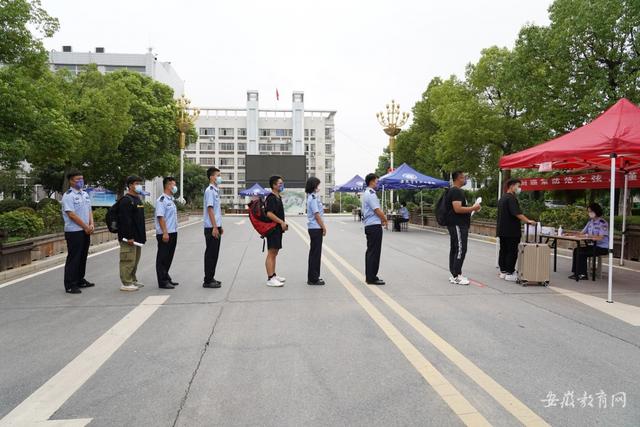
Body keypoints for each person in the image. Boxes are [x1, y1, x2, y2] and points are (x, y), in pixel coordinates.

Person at [496, 178, 537, 282]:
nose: (519, 188)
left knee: (503, 250)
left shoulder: (502, 198)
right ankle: (510, 272)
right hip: (511, 231)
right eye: (518, 186)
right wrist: (528, 221)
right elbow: (517, 213)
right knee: (512, 251)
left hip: (502, 230)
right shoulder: (511, 198)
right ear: (512, 186)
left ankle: (503, 271)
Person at [61, 170, 94, 294]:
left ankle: (80, 279)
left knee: (83, 256)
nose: (80, 181)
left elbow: (89, 210)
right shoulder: (68, 196)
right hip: (74, 231)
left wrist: (91, 224)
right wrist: (85, 226)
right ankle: (70, 284)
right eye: (77, 179)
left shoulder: (84, 194)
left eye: (82, 179)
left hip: (85, 230)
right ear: (70, 181)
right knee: (74, 258)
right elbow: (71, 214)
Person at [446, 171, 481, 285]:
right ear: (458, 179)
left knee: (456, 248)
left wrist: (471, 209)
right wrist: (473, 208)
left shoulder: (453, 190)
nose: (465, 180)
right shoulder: (456, 191)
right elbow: (457, 209)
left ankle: (454, 274)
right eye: (463, 178)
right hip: (458, 224)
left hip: (456, 224)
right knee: (461, 248)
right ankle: (456, 275)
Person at [118, 175, 147, 292]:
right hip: (128, 238)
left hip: (137, 237)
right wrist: (129, 236)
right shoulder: (126, 200)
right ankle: (126, 282)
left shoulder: (138, 199)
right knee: (128, 259)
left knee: (135, 260)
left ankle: (132, 279)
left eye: (140, 183)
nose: (139, 185)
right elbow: (125, 221)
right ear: (130, 185)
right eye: (136, 183)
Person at [568, 203, 609, 280]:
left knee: (582, 253)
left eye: (591, 211)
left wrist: (588, 236)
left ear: (596, 211)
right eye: (588, 212)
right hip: (593, 246)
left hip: (602, 248)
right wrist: (570, 234)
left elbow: (600, 237)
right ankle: (576, 272)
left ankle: (583, 275)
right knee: (577, 250)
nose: (589, 213)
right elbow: (581, 233)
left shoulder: (603, 223)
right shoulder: (590, 222)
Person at [362, 173, 388, 285]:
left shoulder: (367, 193)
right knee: (374, 252)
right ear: (372, 181)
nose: (377, 183)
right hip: (373, 226)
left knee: (371, 252)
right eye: (376, 181)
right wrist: (385, 219)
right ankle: (372, 277)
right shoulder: (371, 194)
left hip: (370, 225)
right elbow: (377, 210)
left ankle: (370, 276)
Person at [155, 176, 179, 289]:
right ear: (168, 185)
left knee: (169, 257)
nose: (175, 187)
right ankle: (162, 281)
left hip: (173, 232)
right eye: (173, 184)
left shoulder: (171, 200)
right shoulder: (162, 200)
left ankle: (166, 277)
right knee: (162, 258)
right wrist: (165, 232)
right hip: (165, 233)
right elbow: (161, 217)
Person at [264, 175, 288, 287]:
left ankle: (273, 275)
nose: (282, 185)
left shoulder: (278, 196)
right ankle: (270, 278)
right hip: (272, 229)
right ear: (273, 185)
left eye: (282, 183)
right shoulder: (271, 197)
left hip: (277, 229)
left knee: (275, 253)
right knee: (271, 253)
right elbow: (269, 213)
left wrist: (282, 224)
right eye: (280, 183)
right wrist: (281, 222)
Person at [203, 167, 223, 288]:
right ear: (211, 177)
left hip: (216, 226)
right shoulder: (209, 190)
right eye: (218, 175)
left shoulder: (215, 190)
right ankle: (208, 280)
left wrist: (220, 226)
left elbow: (216, 211)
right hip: (211, 227)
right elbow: (210, 209)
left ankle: (211, 277)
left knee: (214, 254)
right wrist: (215, 227)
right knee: (210, 254)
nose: (220, 178)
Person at [305, 177, 327, 285]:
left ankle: (314, 276)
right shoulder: (313, 198)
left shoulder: (312, 197)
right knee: (315, 254)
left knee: (315, 253)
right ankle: (313, 278)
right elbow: (317, 214)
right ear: (314, 186)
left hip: (314, 228)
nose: (318, 187)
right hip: (316, 228)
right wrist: (323, 227)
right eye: (317, 185)